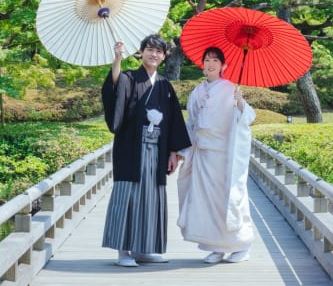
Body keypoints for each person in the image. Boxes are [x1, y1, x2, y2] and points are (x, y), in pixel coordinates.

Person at [101, 34, 191, 268]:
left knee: (151, 197)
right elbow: (115, 88)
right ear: (141, 53)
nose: (154, 54)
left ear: (163, 56)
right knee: (128, 195)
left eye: (159, 51)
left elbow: (173, 121)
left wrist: (173, 152)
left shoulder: (165, 85)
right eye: (149, 50)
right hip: (132, 147)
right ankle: (123, 251)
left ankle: (144, 249)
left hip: (157, 149)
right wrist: (117, 60)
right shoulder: (129, 77)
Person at [176, 46, 256, 264]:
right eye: (207, 60)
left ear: (223, 66)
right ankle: (216, 247)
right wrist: (182, 152)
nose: (210, 64)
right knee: (205, 201)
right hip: (202, 154)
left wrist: (240, 102)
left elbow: (247, 117)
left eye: (215, 60)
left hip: (223, 156)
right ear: (202, 65)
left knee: (229, 198)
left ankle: (242, 244)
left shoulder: (231, 89)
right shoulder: (197, 91)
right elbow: (190, 123)